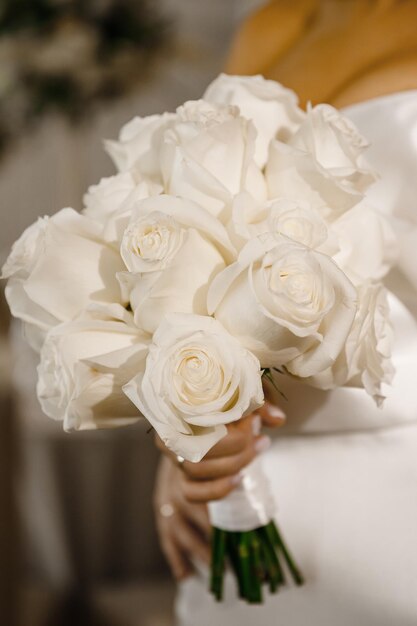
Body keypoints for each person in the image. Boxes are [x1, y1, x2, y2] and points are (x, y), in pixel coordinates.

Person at [154, 1, 417, 623]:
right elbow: (199, 259)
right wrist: (183, 431)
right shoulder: (276, 22)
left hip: (394, 497)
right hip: (245, 501)